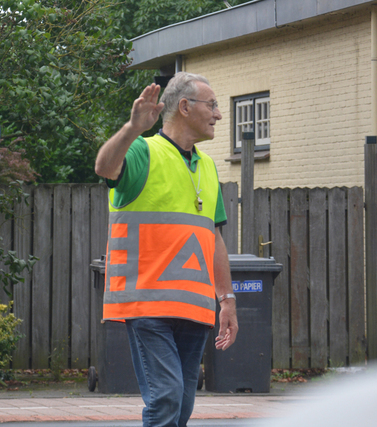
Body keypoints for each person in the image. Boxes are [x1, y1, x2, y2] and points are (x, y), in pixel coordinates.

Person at [94, 72, 238, 427]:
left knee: (182, 405)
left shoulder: (206, 166)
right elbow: (104, 167)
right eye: (213, 105)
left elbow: (214, 238)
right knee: (167, 397)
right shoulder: (144, 151)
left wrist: (228, 300)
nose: (219, 114)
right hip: (147, 305)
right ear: (185, 107)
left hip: (194, 308)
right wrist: (131, 129)